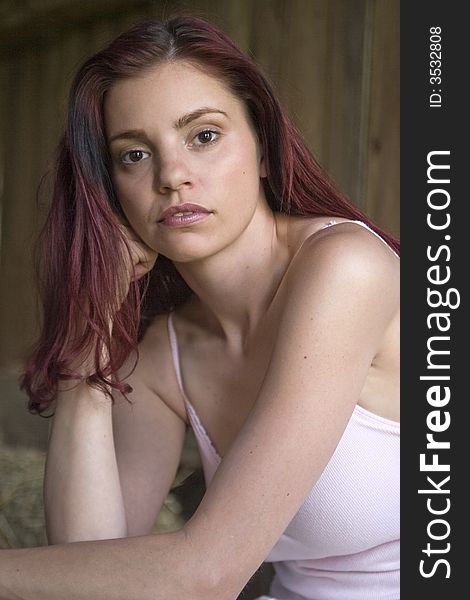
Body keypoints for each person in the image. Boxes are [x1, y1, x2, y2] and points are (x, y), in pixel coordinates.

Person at [1, 14, 399, 600]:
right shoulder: (164, 357)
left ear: (264, 150)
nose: (173, 176)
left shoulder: (345, 267)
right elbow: (92, 571)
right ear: (110, 192)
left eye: (204, 136)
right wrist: (90, 347)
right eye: (134, 155)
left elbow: (207, 573)